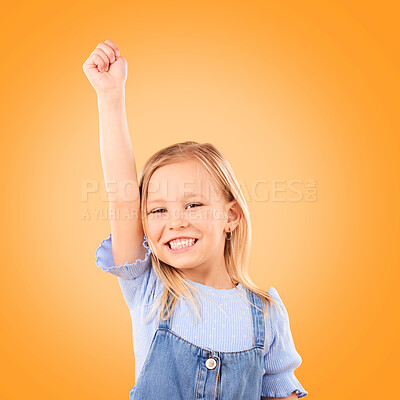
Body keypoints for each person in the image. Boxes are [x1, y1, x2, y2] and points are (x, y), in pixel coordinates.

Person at [83, 40, 308, 400]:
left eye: (193, 205)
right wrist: (110, 96)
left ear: (231, 216)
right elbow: (124, 194)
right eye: (158, 210)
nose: (175, 222)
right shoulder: (149, 290)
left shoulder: (266, 313)